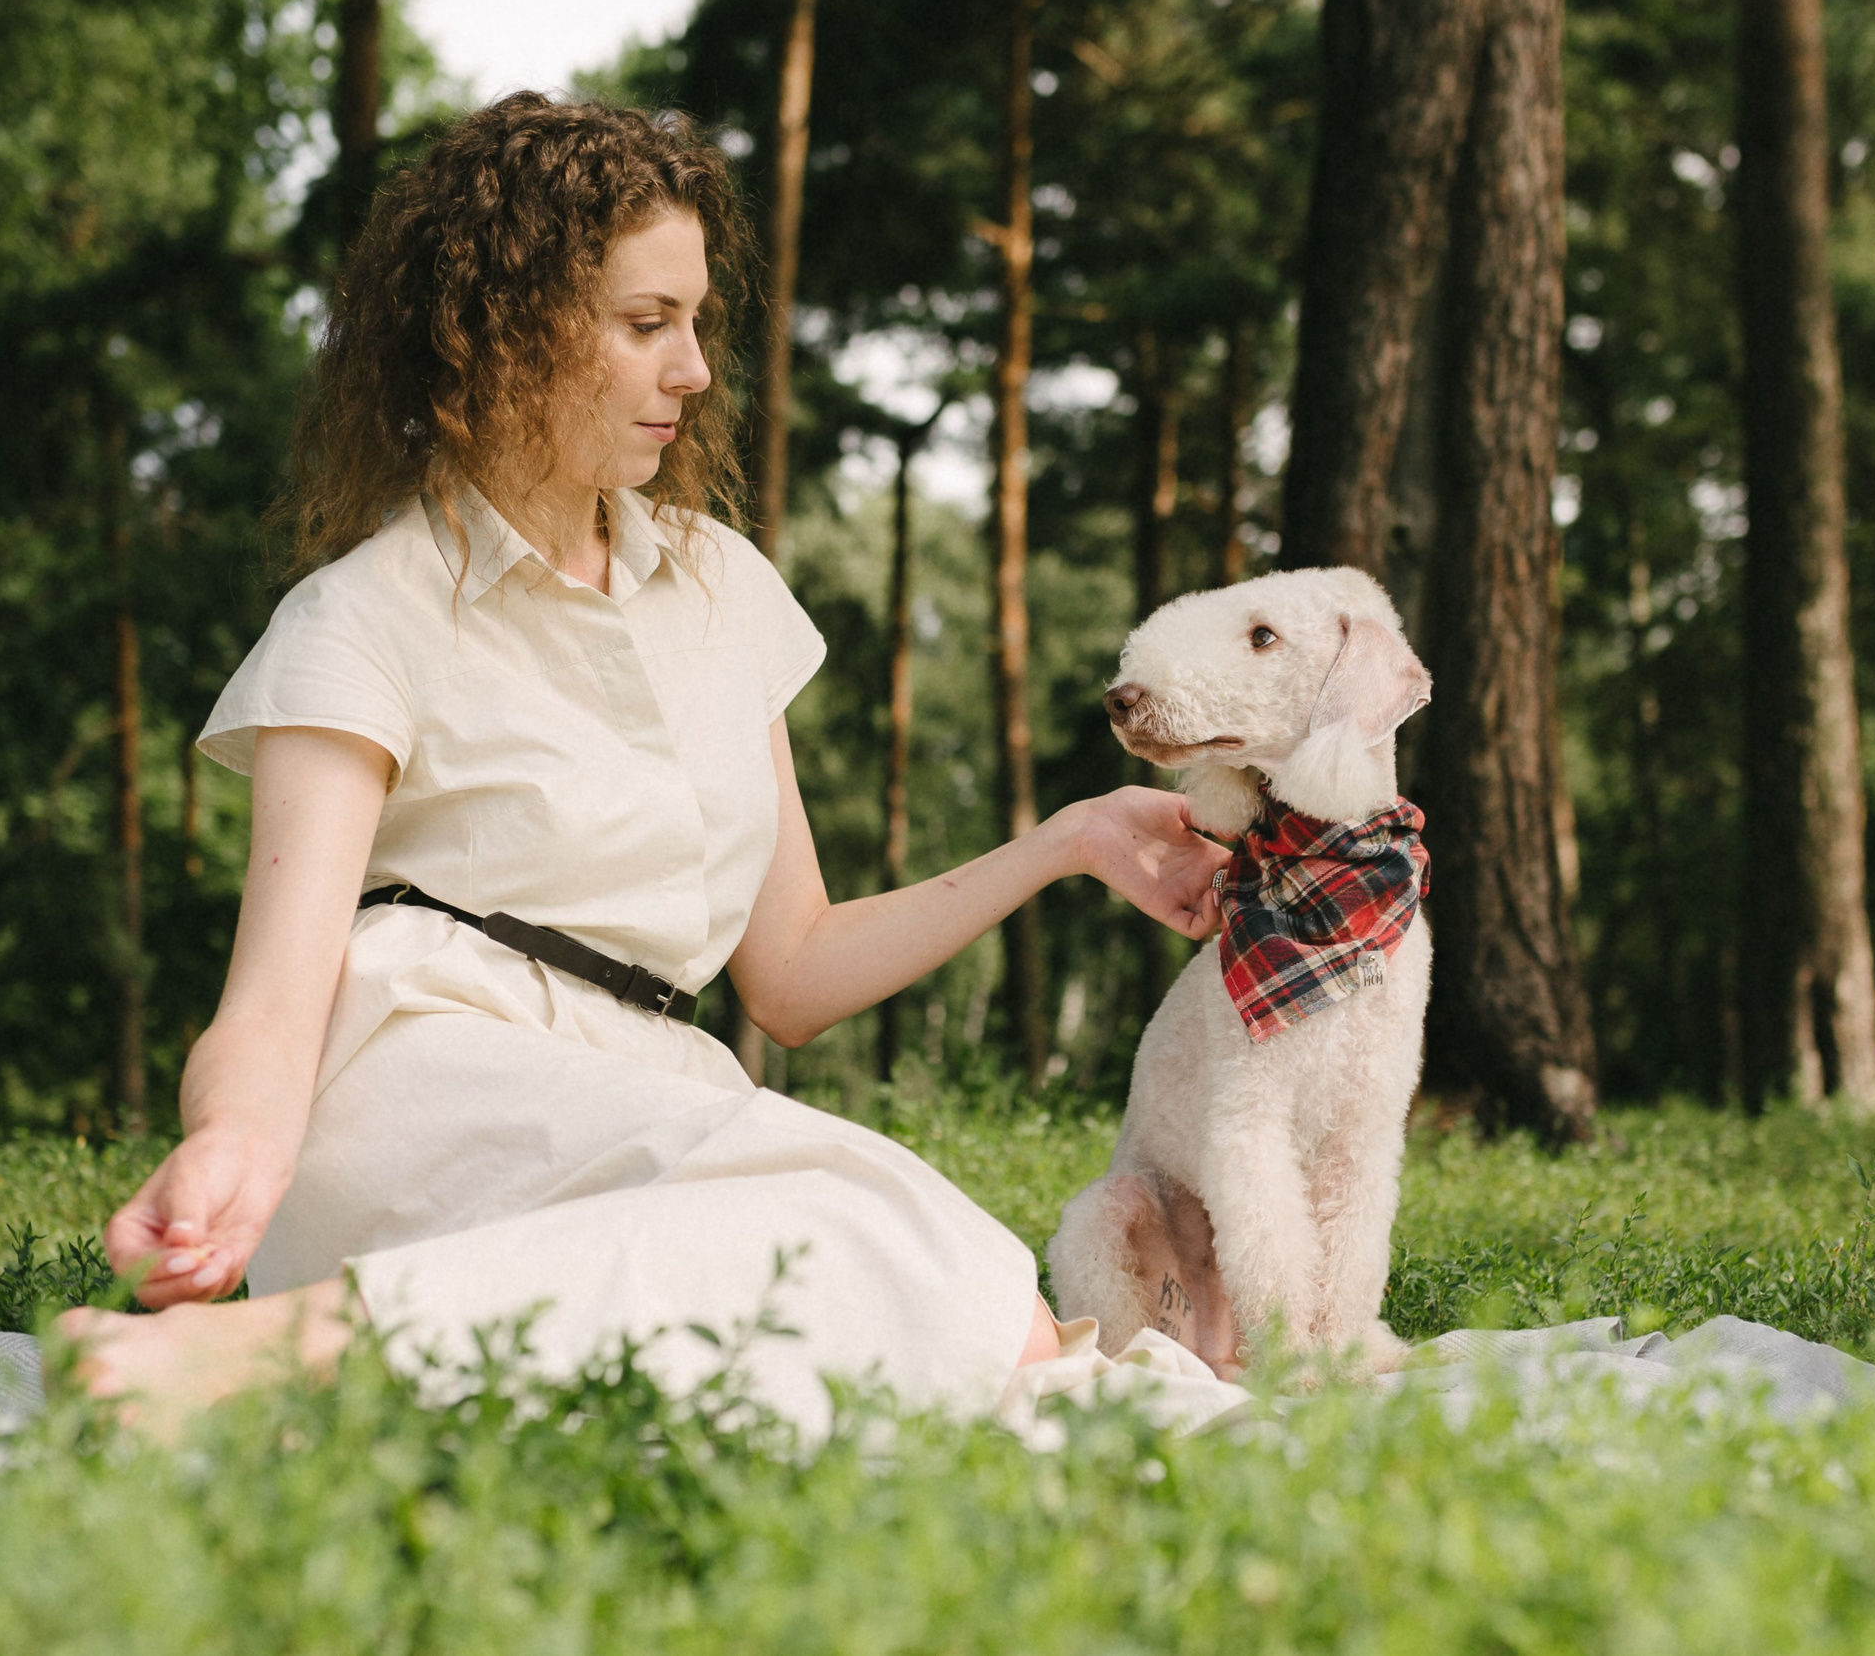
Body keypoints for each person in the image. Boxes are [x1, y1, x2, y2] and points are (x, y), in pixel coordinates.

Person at [61, 94, 1229, 1437]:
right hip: (421, 1082)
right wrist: (231, 1147)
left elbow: (790, 969)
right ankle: (257, 1354)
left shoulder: (722, 587)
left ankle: (284, 1360)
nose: (694, 371)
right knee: (907, 1250)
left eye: (695, 323)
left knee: (952, 1282)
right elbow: (270, 1009)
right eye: (644, 324)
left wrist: (1066, 841)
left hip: (657, 1092)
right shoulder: (363, 613)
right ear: (506, 330)